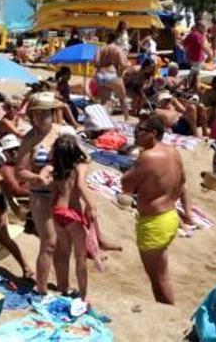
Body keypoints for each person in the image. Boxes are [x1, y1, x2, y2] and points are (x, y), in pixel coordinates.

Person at [121, 117, 189, 305]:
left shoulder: (148, 156)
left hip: (154, 222)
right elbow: (182, 182)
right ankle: (167, 308)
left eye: (142, 130)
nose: (137, 133)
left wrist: (131, 168)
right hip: (169, 216)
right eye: (136, 129)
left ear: (154, 133)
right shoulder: (173, 152)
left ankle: (168, 311)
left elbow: (126, 184)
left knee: (158, 277)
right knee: (161, 272)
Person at [15, 92, 63, 295]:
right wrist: (37, 177)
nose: (42, 116)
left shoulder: (62, 132)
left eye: (46, 112)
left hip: (62, 194)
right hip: (40, 194)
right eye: (38, 113)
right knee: (49, 242)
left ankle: (63, 284)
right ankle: (41, 287)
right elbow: (19, 171)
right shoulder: (30, 138)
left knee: (63, 244)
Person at [42, 135, 97, 299]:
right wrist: (92, 205)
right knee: (80, 257)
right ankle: (83, 295)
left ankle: (63, 287)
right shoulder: (80, 167)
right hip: (72, 214)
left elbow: (53, 194)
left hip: (58, 211)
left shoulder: (56, 169)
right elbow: (81, 183)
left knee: (63, 252)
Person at [93, 33, 130, 119]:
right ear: (116, 39)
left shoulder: (100, 49)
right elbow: (124, 65)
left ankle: (103, 120)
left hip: (100, 74)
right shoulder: (117, 49)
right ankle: (127, 119)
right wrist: (120, 73)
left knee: (104, 101)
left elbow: (96, 62)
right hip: (112, 73)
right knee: (123, 99)